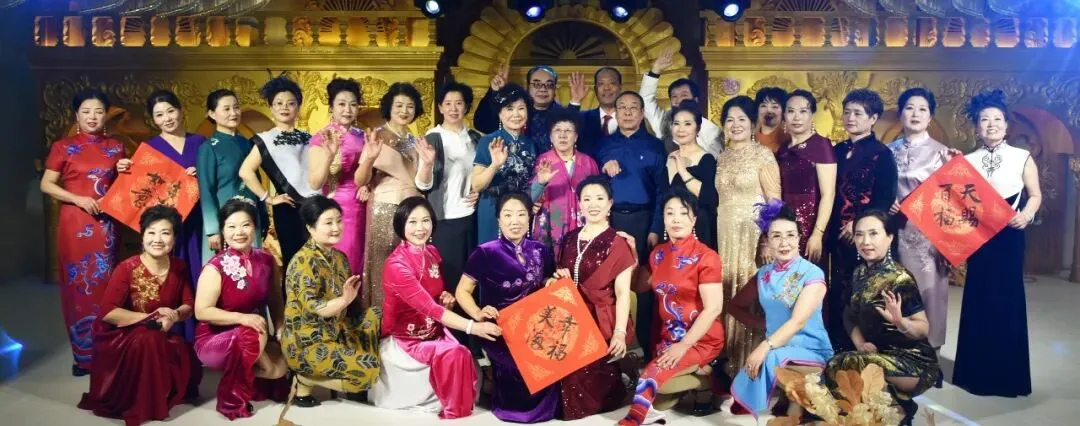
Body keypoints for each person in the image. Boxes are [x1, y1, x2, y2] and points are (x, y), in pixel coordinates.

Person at [370, 197, 502, 419]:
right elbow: (429, 308)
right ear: (401, 225)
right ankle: (454, 409)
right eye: (412, 222)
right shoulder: (397, 265)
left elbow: (434, 299)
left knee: (462, 353)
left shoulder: (431, 253)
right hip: (408, 339)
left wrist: (445, 299)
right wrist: (474, 327)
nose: (420, 228)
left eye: (426, 220)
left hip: (433, 331)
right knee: (456, 353)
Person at [77, 206, 201, 426]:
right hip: (124, 336)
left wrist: (174, 316)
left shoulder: (179, 267)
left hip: (160, 332)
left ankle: (159, 391)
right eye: (151, 232)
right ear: (142, 236)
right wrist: (150, 316)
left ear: (174, 238)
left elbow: (188, 305)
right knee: (148, 338)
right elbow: (108, 312)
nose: (158, 239)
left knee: (185, 357)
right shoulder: (127, 268)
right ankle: (147, 403)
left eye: (165, 233)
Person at [953, 89, 1041, 397]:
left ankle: (1008, 377)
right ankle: (974, 375)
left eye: (997, 119)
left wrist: (1026, 215)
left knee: (1007, 299)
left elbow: (1035, 195)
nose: (991, 124)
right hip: (980, 238)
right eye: (984, 119)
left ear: (1006, 125)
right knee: (978, 298)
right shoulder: (967, 161)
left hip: (1009, 235)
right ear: (976, 127)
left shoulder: (1022, 157)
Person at [41, 88, 130, 376]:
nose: (93, 116)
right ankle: (84, 358)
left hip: (106, 225)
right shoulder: (63, 147)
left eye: (99, 111)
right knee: (78, 288)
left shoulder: (116, 147)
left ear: (106, 115)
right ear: (76, 115)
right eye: (86, 111)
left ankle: (109, 351)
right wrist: (77, 199)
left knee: (107, 286)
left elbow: (123, 188)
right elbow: (47, 184)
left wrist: (126, 170)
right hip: (75, 224)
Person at [618, 189, 725, 426]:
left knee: (651, 376)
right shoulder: (658, 254)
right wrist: (633, 256)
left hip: (701, 338)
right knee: (660, 395)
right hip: (669, 338)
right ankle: (705, 373)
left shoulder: (706, 257)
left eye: (683, 213)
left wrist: (684, 346)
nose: (676, 219)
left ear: (694, 219)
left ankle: (634, 419)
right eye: (670, 213)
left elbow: (714, 308)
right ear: (664, 219)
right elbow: (638, 286)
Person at [826, 210, 941, 425]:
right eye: (859, 234)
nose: (865, 241)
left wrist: (900, 321)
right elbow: (849, 314)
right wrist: (861, 343)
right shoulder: (859, 273)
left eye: (873, 233)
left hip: (912, 362)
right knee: (841, 366)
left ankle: (899, 411)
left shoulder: (900, 278)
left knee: (845, 363)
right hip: (877, 355)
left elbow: (923, 328)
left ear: (889, 238)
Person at [455, 192, 557, 423]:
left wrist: (552, 282)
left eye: (521, 214)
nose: (515, 221)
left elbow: (546, 282)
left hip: (535, 327)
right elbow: (462, 291)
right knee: (518, 369)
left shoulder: (541, 250)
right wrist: (478, 313)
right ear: (498, 220)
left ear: (529, 218)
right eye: (508, 215)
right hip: (500, 329)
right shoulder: (485, 252)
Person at [728, 200, 832, 417]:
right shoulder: (763, 274)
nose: (784, 243)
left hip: (811, 349)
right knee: (771, 358)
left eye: (790, 235)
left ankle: (800, 401)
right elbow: (734, 307)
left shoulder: (812, 273)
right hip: (778, 348)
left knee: (769, 358)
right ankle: (791, 399)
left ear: (799, 237)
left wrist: (764, 346)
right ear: (767, 241)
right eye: (776, 236)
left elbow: (797, 322)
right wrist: (764, 325)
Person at [282, 195, 382, 406]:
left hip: (336, 331)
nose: (336, 227)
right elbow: (319, 309)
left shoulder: (339, 258)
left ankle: (352, 382)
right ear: (310, 228)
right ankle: (305, 379)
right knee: (369, 371)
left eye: (338, 220)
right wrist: (345, 300)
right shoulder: (302, 262)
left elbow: (352, 306)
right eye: (328, 223)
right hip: (308, 343)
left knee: (374, 315)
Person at [194, 198, 288, 420]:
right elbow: (202, 312)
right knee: (253, 332)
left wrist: (281, 328)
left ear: (255, 227)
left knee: (280, 367)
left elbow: (275, 300)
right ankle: (231, 399)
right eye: (231, 226)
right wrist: (242, 318)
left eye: (246, 225)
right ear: (223, 230)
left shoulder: (267, 260)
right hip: (214, 338)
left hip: (255, 331)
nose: (239, 232)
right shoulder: (215, 267)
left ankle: (256, 377)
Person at [551, 176, 637, 420]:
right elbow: (560, 280)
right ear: (579, 203)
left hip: (600, 319)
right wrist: (558, 278)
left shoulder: (618, 242)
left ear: (610, 204)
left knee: (578, 380)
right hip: (568, 315)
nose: (593, 204)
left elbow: (622, 293)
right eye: (587, 199)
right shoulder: (570, 238)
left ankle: (618, 375)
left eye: (599, 198)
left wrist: (619, 332)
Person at [715, 95, 781, 378]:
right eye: (730, 119)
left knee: (748, 290)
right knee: (725, 289)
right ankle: (728, 364)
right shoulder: (722, 156)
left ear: (753, 123)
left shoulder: (763, 155)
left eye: (742, 119)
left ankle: (751, 366)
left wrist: (767, 239)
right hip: (724, 233)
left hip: (752, 235)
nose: (735, 124)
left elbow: (775, 201)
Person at [827, 89, 897, 352]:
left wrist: (857, 225)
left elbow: (884, 198)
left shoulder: (882, 154)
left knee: (862, 291)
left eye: (858, 113)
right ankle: (837, 348)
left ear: (873, 118)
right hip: (835, 234)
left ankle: (863, 350)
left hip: (864, 236)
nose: (850, 118)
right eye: (847, 112)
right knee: (837, 289)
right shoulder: (836, 150)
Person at [416, 81, 483, 348]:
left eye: (459, 103)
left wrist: (479, 192)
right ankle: (451, 341)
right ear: (440, 107)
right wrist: (427, 163)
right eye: (448, 104)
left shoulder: (475, 138)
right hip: (445, 219)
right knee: (451, 280)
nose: (454, 108)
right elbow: (422, 184)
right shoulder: (433, 137)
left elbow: (481, 176)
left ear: (466, 107)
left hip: (474, 216)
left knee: (474, 279)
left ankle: (475, 342)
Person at [887, 88, 951, 349]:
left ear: (930, 116)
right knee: (895, 291)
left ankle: (929, 350)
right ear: (901, 114)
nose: (915, 114)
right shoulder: (887, 151)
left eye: (922, 109)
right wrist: (886, 200)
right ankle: (898, 350)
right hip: (892, 233)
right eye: (910, 108)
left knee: (929, 291)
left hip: (927, 236)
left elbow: (949, 200)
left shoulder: (942, 153)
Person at [361, 82, 429, 311]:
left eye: (410, 106)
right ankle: (380, 318)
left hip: (411, 210)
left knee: (409, 265)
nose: (404, 110)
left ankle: (406, 317)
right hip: (384, 207)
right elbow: (361, 179)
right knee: (383, 263)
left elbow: (421, 180)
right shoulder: (377, 136)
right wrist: (369, 162)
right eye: (399, 105)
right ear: (389, 107)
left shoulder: (416, 140)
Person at [240, 76, 318, 270]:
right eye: (279, 103)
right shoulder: (265, 139)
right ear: (271, 107)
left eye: (291, 103)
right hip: (288, 208)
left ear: (298, 108)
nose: (285, 107)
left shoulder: (310, 138)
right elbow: (245, 171)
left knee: (316, 260)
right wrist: (268, 198)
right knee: (294, 261)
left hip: (315, 206)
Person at [308, 78, 379, 276]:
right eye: (341, 104)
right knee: (342, 260)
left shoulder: (363, 136)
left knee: (362, 260)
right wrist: (329, 155)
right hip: (336, 205)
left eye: (353, 104)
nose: (347, 110)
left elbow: (373, 172)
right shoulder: (321, 137)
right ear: (331, 107)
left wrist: (368, 186)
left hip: (364, 205)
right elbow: (315, 182)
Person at [143, 90, 205, 295]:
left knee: (200, 267)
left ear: (180, 111)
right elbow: (143, 187)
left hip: (199, 217)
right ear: (153, 119)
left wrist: (201, 172)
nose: (167, 118)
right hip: (167, 221)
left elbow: (215, 176)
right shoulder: (149, 149)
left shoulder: (200, 142)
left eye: (170, 111)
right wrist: (123, 167)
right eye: (159, 114)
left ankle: (202, 312)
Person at [197, 89, 266, 263]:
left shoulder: (247, 143)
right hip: (224, 220)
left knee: (252, 268)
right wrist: (213, 230)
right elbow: (206, 191)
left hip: (250, 217)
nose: (233, 113)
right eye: (226, 109)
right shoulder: (208, 148)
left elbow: (256, 181)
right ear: (212, 114)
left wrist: (262, 215)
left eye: (236, 107)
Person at [776, 90, 836, 268]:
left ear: (812, 115)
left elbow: (828, 194)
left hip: (811, 223)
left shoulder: (821, 145)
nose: (796, 117)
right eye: (791, 111)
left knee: (808, 275)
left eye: (803, 111)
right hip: (786, 222)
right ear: (784, 115)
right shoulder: (783, 148)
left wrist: (817, 234)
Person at [472, 83, 537, 243]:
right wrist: (495, 165)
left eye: (521, 108)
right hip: (492, 210)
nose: (516, 114)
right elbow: (477, 185)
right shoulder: (488, 141)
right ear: (500, 114)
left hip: (520, 211)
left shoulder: (531, 144)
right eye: (509, 108)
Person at [530, 110, 600, 254]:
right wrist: (540, 183)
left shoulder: (588, 163)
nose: (562, 135)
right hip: (551, 226)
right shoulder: (543, 162)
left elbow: (600, 197)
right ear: (550, 137)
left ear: (576, 137)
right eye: (557, 130)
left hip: (583, 225)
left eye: (568, 130)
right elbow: (531, 198)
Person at [474, 64, 584, 149]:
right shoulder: (516, 113)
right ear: (528, 87)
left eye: (549, 85)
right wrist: (496, 92)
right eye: (537, 84)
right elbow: (482, 125)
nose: (543, 89)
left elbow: (574, 137)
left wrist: (575, 102)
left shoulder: (561, 114)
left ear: (555, 89)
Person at [640, 48, 722, 156]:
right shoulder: (663, 121)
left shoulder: (710, 130)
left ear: (695, 99)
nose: (678, 100)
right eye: (674, 96)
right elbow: (644, 101)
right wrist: (655, 70)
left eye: (684, 95)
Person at [666, 102, 718, 250]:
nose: (681, 129)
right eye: (676, 123)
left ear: (698, 128)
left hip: (698, 228)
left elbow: (709, 198)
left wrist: (683, 171)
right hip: (673, 226)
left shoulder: (706, 158)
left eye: (687, 124)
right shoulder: (670, 156)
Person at [574, 67, 622, 156]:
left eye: (612, 83)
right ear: (595, 89)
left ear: (620, 87)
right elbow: (563, 127)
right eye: (601, 84)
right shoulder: (582, 119)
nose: (606, 88)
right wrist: (575, 101)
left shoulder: (631, 119)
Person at [754, 87, 791, 153]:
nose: (769, 110)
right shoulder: (749, 137)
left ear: (783, 111)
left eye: (775, 107)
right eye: (763, 106)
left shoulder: (790, 138)